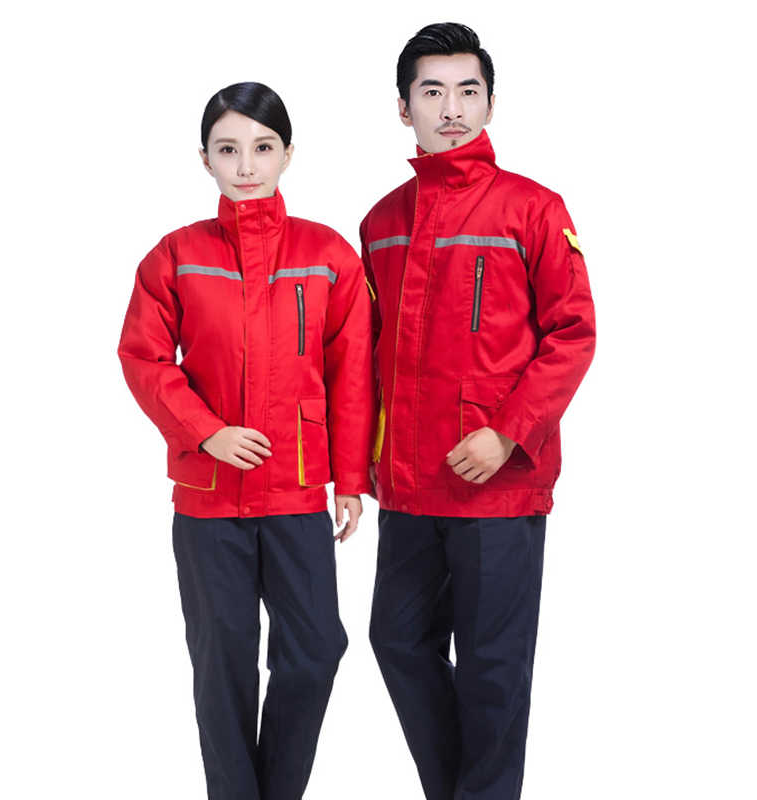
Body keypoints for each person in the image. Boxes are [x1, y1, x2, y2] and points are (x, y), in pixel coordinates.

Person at [118, 82, 374, 800]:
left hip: (296, 491)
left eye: (262, 148)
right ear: (205, 159)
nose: (246, 165)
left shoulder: (327, 254)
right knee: (223, 665)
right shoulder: (176, 255)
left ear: (288, 153)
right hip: (209, 504)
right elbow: (142, 358)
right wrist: (207, 432)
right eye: (228, 150)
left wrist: (351, 480)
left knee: (316, 650)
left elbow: (353, 373)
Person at [361, 23, 596, 800]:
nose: (452, 109)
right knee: (397, 640)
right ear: (404, 107)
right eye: (432, 92)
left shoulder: (533, 209)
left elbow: (573, 334)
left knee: (493, 671)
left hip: (497, 484)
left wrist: (508, 433)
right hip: (407, 485)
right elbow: (367, 356)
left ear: (490, 102)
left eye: (468, 91)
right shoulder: (381, 222)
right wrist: (361, 463)